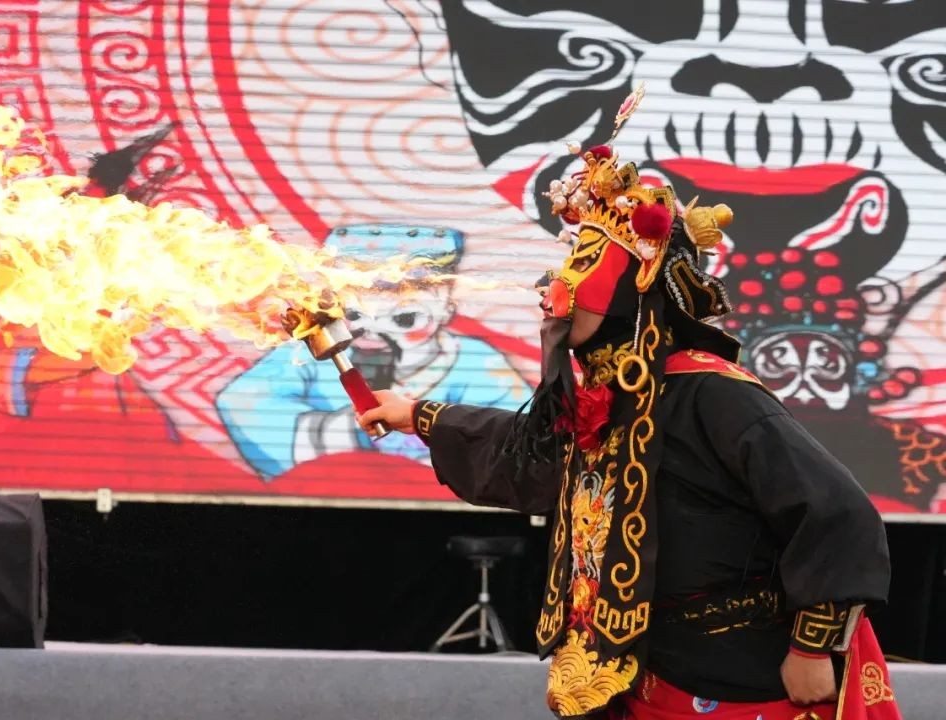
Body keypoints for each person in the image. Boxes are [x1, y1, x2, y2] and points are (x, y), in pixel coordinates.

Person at [358, 91, 900, 720]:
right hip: (643, 671)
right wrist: (418, 414)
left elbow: (837, 513)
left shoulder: (712, 393)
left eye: (584, 262)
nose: (556, 285)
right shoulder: (607, 399)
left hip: (743, 675)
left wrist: (812, 646)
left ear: (635, 283)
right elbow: (532, 457)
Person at [217, 224, 532, 480]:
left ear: (446, 310)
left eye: (405, 319)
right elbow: (242, 401)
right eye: (355, 316)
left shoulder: (478, 364)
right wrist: (339, 433)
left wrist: (432, 436)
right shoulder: (305, 359)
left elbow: (519, 436)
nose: (373, 335)